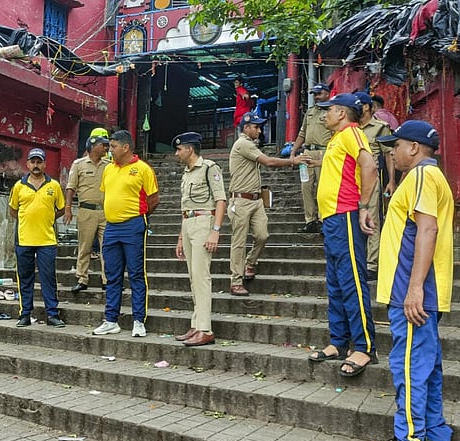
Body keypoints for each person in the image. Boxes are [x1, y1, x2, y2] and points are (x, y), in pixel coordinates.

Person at [361, 120, 454, 441]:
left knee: (410, 368)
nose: (392, 152)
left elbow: (427, 228)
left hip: (413, 294)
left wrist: (414, 288)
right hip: (420, 292)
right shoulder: (428, 177)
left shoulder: (420, 177)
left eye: (395, 146)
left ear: (413, 147)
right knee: (426, 368)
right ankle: (435, 440)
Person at [306, 93, 378, 377]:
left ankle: (364, 346)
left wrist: (363, 207)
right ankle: (338, 341)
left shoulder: (352, 132)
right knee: (335, 283)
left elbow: (369, 166)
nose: (325, 115)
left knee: (352, 282)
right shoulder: (336, 138)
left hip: (346, 214)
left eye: (329, 110)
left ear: (342, 113)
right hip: (332, 219)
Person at [227, 112, 311, 296]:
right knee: (238, 242)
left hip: (256, 199)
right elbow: (269, 162)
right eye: (256, 127)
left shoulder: (250, 145)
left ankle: (250, 263)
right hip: (240, 200)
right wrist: (292, 161)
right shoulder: (243, 144)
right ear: (246, 128)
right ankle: (236, 281)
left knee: (262, 235)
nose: (259, 130)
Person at [92, 130, 159, 337]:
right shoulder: (108, 170)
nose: (109, 151)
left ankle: (139, 320)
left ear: (125, 147)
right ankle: (111, 319)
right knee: (112, 276)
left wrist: (138, 216)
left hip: (133, 226)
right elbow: (106, 195)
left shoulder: (142, 169)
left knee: (137, 274)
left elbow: (153, 198)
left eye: (112, 147)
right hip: (111, 227)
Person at [172, 132, 227, 347]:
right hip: (188, 223)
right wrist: (180, 236)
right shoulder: (186, 173)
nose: (177, 153)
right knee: (194, 277)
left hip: (204, 222)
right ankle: (196, 324)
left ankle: (205, 329)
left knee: (201, 276)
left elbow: (221, 199)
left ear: (190, 149)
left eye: (179, 149)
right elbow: (185, 207)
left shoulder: (209, 168)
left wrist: (215, 230)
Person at [8, 147, 66, 328]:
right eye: (32, 162)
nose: (35, 165)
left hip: (47, 240)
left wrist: (46, 219)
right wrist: (28, 220)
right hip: (24, 240)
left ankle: (53, 315)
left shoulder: (54, 186)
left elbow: (61, 209)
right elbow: (13, 210)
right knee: (25, 278)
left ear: (45, 164)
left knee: (48, 278)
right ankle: (25, 314)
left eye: (39, 162)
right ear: (27, 164)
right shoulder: (19, 186)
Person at [354, 91, 394, 280]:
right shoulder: (351, 129)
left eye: (360, 105)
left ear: (368, 106)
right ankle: (358, 260)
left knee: (372, 220)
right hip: (351, 179)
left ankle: (372, 264)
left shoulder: (380, 128)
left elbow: (388, 155)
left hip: (372, 179)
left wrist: (391, 181)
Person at [64, 127, 109, 293]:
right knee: (85, 247)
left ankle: (107, 280)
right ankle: (82, 278)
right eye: (103, 145)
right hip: (86, 210)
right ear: (93, 145)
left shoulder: (109, 166)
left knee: (107, 248)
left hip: (105, 211)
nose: (106, 148)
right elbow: (70, 187)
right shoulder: (78, 164)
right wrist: (68, 208)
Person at [292, 83, 334, 233]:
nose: (316, 97)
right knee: (306, 186)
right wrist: (293, 151)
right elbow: (302, 133)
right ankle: (310, 220)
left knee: (323, 187)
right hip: (307, 152)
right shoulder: (310, 112)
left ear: (327, 94)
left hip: (324, 152)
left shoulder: (332, 111)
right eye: (315, 95)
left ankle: (323, 219)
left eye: (319, 94)